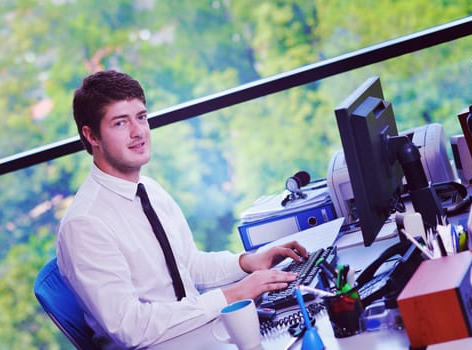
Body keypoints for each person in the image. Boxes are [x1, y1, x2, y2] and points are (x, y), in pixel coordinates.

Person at [56, 70, 308, 349]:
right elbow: (131, 327)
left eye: (141, 117)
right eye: (120, 123)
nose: (138, 131)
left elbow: (188, 265)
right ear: (92, 136)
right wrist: (233, 295)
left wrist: (247, 262)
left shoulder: (149, 189)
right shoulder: (84, 224)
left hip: (198, 331)